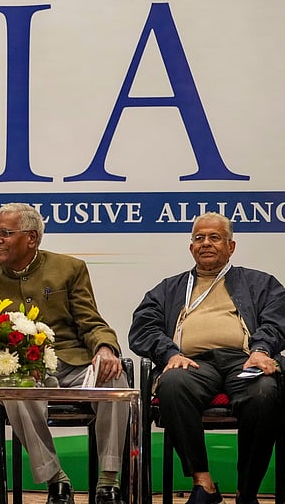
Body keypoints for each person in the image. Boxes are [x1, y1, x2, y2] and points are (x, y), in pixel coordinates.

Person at [0, 203, 127, 504]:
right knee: (10, 383)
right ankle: (56, 480)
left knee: (115, 378)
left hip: (72, 360)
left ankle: (108, 481)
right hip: (24, 368)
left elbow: (90, 321)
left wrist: (105, 347)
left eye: (4, 233)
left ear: (32, 238)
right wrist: (17, 359)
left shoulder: (70, 268)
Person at [128, 212, 285, 504]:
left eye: (215, 237)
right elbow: (142, 327)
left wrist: (261, 349)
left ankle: (247, 491)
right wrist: (170, 353)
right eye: (199, 238)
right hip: (192, 362)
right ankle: (204, 484)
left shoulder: (260, 283)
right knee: (172, 384)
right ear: (191, 247)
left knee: (265, 392)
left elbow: (277, 320)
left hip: (244, 360)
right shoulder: (169, 288)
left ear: (231, 246)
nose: (206, 243)